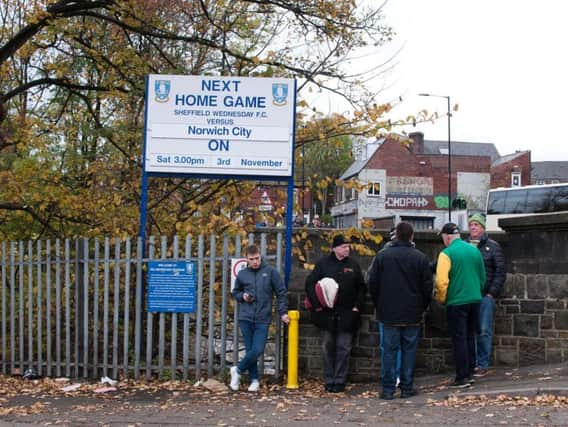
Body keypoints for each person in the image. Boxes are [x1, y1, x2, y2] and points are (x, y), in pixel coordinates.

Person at [368, 222, 433, 399]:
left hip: (388, 311)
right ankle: (406, 387)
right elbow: (427, 287)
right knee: (409, 351)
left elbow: (373, 283)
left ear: (396, 235)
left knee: (389, 351)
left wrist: (379, 303)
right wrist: (423, 306)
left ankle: (388, 389)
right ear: (411, 236)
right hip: (412, 311)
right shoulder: (420, 258)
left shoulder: (383, 257)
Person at [305, 234, 367, 393]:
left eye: (348, 247)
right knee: (327, 347)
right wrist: (318, 305)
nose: (347, 249)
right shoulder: (323, 264)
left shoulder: (353, 265)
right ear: (334, 248)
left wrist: (356, 307)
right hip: (327, 314)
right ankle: (329, 379)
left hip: (347, 314)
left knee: (344, 347)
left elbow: (361, 287)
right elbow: (310, 283)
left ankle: (340, 380)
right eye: (343, 247)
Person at [230, 245, 290, 392]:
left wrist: (283, 312)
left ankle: (237, 370)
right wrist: (242, 296)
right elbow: (235, 292)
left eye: (257, 258)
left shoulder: (270, 272)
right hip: (245, 317)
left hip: (263, 317)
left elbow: (281, 293)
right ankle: (254, 380)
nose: (255, 261)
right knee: (250, 349)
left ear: (260, 256)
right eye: (251, 259)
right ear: (247, 259)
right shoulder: (243, 274)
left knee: (257, 349)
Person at [435, 223, 486, 388]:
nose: (443, 241)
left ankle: (462, 377)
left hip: (457, 301)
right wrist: (477, 291)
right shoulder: (474, 250)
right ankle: (471, 372)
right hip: (475, 299)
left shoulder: (446, 254)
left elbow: (442, 282)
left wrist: (442, 299)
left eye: (442, 237)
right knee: (470, 336)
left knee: (459, 339)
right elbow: (482, 276)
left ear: (447, 236)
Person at [465, 213, 505, 377]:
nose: (473, 227)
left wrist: (491, 293)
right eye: (471, 225)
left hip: (484, 296)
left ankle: (482, 364)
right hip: (468, 295)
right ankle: (471, 363)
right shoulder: (465, 246)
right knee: (469, 330)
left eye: (476, 225)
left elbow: (500, 271)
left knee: (483, 329)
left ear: (482, 227)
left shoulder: (493, 246)